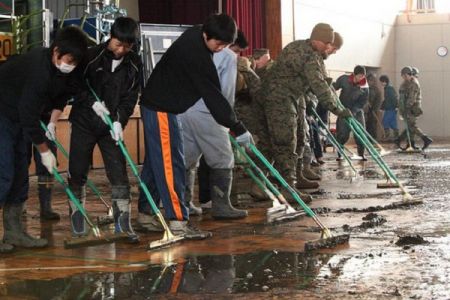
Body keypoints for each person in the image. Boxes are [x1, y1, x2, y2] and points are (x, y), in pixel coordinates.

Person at [138, 14, 252, 239]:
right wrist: (237, 127)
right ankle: (179, 222)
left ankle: (145, 214)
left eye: (226, 45)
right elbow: (213, 96)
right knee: (172, 164)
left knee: (154, 163)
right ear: (206, 35)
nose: (220, 49)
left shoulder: (198, 32)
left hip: (163, 107)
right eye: (218, 44)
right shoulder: (196, 55)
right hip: (161, 109)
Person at [0, 26, 87, 253]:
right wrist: (44, 150)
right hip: (3, 112)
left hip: (17, 116)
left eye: (75, 62)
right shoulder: (38, 69)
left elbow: (62, 96)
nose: (71, 65)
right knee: (4, 172)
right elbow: (29, 115)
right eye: (68, 59)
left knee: (20, 172)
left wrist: (50, 124)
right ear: (56, 52)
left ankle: (14, 232)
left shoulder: (63, 70)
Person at [250, 23, 352, 203]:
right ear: (317, 40)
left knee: (268, 144)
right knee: (286, 143)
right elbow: (320, 86)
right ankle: (289, 189)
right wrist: (338, 111)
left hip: (269, 98)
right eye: (327, 44)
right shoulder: (310, 56)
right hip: (280, 100)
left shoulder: (295, 46)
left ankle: (258, 185)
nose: (329, 48)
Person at [68, 17, 141, 242]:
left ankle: (123, 221)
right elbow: (75, 84)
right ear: (110, 37)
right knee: (78, 169)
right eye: (118, 44)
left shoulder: (135, 63)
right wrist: (91, 102)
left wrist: (119, 121)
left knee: (118, 171)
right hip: (84, 122)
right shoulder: (91, 57)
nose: (121, 50)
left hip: (111, 127)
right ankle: (77, 216)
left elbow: (130, 97)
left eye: (127, 46)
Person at [180, 30, 249, 220]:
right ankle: (221, 206)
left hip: (183, 110)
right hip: (209, 112)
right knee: (223, 158)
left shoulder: (192, 49)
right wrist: (229, 120)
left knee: (188, 158)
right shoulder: (228, 56)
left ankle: (184, 203)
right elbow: (225, 92)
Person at [333, 65, 369, 160]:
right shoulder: (344, 79)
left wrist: (354, 111)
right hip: (343, 110)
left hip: (357, 111)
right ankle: (340, 153)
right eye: (360, 76)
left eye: (363, 76)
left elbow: (363, 101)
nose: (362, 78)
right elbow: (334, 87)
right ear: (354, 74)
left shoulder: (364, 86)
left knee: (360, 132)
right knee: (342, 133)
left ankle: (361, 154)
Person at [396, 66, 432, 150]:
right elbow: (402, 97)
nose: (404, 78)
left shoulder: (414, 83)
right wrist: (401, 107)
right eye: (403, 76)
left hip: (412, 108)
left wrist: (406, 107)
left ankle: (425, 139)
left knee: (411, 126)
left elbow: (412, 98)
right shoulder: (405, 83)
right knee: (410, 126)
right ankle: (410, 143)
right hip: (406, 107)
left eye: (405, 76)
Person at [364, 73, 384, 141]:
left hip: (372, 111)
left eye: (372, 80)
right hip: (364, 111)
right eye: (369, 80)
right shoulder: (363, 88)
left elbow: (379, 100)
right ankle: (364, 140)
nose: (370, 82)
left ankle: (372, 140)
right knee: (364, 125)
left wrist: (374, 108)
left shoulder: (376, 90)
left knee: (372, 125)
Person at [379, 75, 399, 141]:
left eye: (382, 82)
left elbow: (393, 98)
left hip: (391, 109)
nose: (381, 83)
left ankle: (387, 137)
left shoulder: (388, 89)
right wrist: (382, 107)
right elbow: (386, 99)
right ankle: (397, 137)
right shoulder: (388, 88)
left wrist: (396, 106)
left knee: (385, 121)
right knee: (392, 123)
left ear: (385, 81)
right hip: (391, 109)